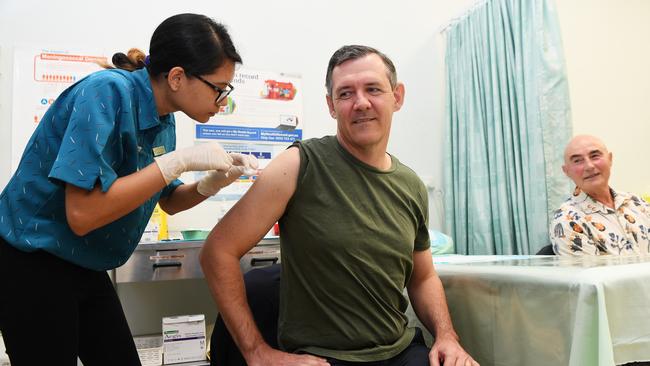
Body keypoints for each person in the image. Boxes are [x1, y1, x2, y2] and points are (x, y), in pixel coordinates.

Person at [0, 13, 257, 365]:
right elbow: (82, 215)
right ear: (178, 77)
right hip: (33, 259)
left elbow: (167, 201)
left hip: (85, 262)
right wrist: (176, 162)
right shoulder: (106, 92)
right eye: (218, 88)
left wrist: (212, 183)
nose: (222, 101)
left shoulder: (163, 119)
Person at [200, 45, 478, 366]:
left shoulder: (411, 185)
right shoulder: (300, 164)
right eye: (345, 94)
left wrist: (446, 336)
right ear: (332, 106)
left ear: (397, 97)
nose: (361, 103)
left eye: (373, 89)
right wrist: (257, 353)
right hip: (323, 358)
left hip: (398, 351)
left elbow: (423, 277)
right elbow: (217, 251)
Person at [550, 134, 650, 256]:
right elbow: (588, 274)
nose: (589, 166)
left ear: (610, 159)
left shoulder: (636, 202)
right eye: (577, 161)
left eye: (595, 156)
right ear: (566, 171)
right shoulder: (567, 220)